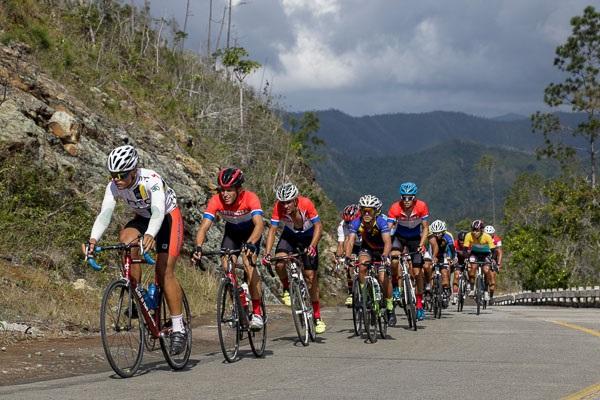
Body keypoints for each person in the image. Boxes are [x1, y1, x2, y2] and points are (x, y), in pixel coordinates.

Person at [84, 145, 186, 354]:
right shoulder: (113, 186)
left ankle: (178, 328)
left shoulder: (151, 180)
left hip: (167, 218)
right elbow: (105, 214)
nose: (116, 179)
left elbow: (158, 212)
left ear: (134, 171)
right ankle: (137, 292)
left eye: (121, 175)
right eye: (113, 175)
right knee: (126, 241)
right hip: (143, 218)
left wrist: (150, 235)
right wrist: (93, 240)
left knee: (164, 271)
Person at [191, 167, 265, 330]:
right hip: (232, 234)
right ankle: (237, 306)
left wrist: (251, 242)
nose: (225, 194)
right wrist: (198, 247)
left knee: (248, 263)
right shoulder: (216, 201)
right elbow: (204, 228)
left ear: (239, 189)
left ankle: (257, 312)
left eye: (229, 190)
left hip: (250, 234)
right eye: (222, 190)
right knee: (227, 267)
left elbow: (259, 224)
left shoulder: (250, 198)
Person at [261, 183, 326, 334]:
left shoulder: (306, 204)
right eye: (283, 202)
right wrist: (267, 252)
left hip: (308, 237)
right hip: (289, 236)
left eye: (289, 201)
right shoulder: (278, 208)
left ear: (296, 200)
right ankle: (286, 288)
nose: (285, 205)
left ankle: (317, 317)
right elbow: (272, 230)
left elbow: (319, 227)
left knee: (311, 277)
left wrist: (312, 246)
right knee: (279, 262)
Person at [344, 195, 394, 325]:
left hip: (382, 250)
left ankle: (389, 307)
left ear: (376, 211)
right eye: (363, 210)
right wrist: (348, 256)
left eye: (370, 211)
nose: (366, 213)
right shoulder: (356, 222)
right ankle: (364, 293)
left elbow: (388, 242)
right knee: (362, 266)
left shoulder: (382, 222)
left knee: (383, 278)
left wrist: (384, 255)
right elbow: (350, 241)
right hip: (367, 249)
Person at [387, 182, 431, 321]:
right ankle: (395, 287)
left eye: (409, 198)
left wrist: (422, 244)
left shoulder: (421, 206)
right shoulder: (395, 207)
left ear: (414, 197)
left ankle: (419, 305)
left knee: (417, 273)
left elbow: (425, 228)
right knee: (394, 259)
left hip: (415, 239)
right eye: (404, 197)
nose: (406, 201)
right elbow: (388, 229)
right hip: (399, 237)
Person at [335, 204, 361, 306]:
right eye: (347, 222)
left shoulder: (363, 222)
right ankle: (351, 293)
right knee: (349, 267)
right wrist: (339, 258)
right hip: (353, 245)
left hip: (365, 243)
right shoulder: (342, 225)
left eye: (351, 222)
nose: (349, 224)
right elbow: (341, 244)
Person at [464, 219, 495, 302]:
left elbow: (493, 250)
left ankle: (485, 291)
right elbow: (465, 249)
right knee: (472, 267)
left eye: (477, 230)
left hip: (485, 254)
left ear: (481, 230)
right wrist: (467, 258)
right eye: (473, 230)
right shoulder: (468, 235)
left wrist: (492, 259)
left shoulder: (487, 236)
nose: (474, 232)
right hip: (474, 253)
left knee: (486, 270)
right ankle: (472, 288)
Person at [428, 219, 455, 307]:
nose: (438, 235)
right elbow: (429, 249)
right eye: (435, 233)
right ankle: (429, 288)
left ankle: (446, 289)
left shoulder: (448, 236)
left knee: (444, 272)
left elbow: (452, 248)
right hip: (432, 254)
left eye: (440, 233)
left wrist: (452, 258)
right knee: (429, 270)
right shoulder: (430, 236)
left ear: (443, 231)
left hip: (444, 254)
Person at [484, 225, 503, 303]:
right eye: (487, 234)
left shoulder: (497, 239)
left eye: (490, 234)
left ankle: (491, 296)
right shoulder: (482, 239)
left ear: (493, 234)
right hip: (483, 258)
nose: (489, 236)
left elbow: (499, 252)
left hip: (493, 259)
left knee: (492, 281)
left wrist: (498, 264)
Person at [452, 231, 469, 304]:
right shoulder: (455, 243)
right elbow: (452, 252)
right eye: (460, 240)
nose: (462, 242)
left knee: (471, 269)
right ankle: (455, 295)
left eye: (463, 240)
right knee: (456, 275)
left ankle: (468, 284)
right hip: (458, 261)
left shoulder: (470, 243)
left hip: (468, 259)